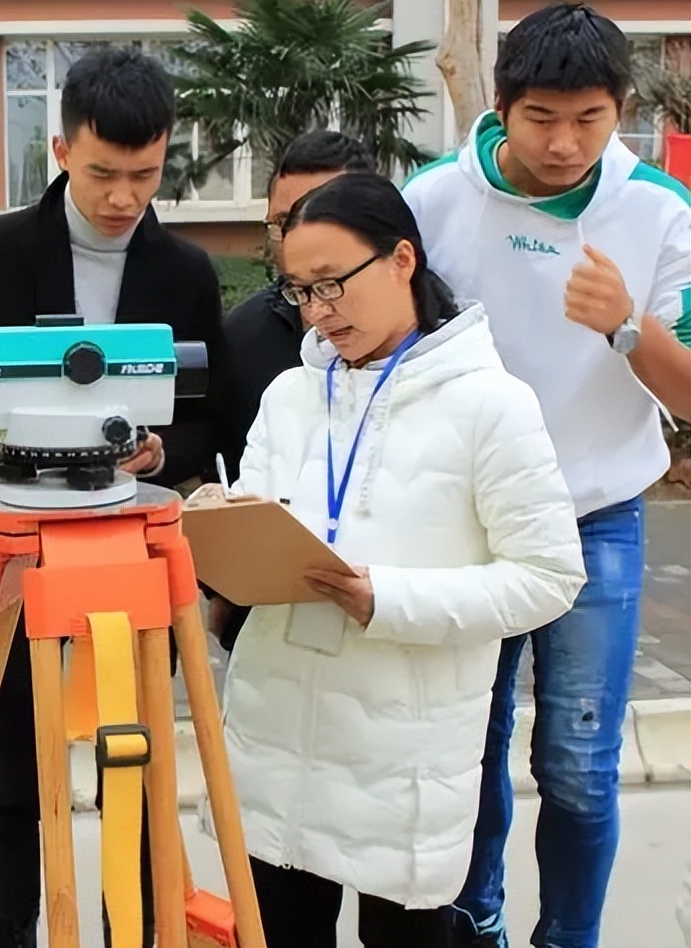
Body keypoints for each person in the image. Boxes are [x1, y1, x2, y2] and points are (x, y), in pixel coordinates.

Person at [213, 172, 585, 948]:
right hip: (278, 733)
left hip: (405, 753)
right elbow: (253, 511)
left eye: (332, 284)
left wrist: (389, 598)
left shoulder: (491, 403)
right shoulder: (290, 395)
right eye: (299, 292)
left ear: (402, 260)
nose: (318, 311)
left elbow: (550, 576)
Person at [402, 5, 691, 945]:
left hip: (596, 516)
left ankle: (569, 936)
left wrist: (625, 324)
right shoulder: (434, 198)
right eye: (542, 118)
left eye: (590, 119)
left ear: (622, 110)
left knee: (578, 760)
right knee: (465, 748)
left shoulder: (656, 211)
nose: (566, 144)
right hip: (464, 521)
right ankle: (472, 923)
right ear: (499, 103)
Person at [0, 46, 231, 948]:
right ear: (63, 148)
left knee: (130, 767)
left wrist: (156, 450)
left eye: (144, 175)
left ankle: (133, 933)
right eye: (104, 172)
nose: (122, 197)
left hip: (130, 555)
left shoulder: (185, 272)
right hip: (19, 549)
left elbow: (207, 414)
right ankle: (14, 934)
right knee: (19, 780)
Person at [212, 130, 374, 650]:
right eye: (281, 222)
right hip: (265, 627)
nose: (296, 235)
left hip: (387, 631)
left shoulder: (436, 353)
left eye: (316, 214)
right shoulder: (244, 335)